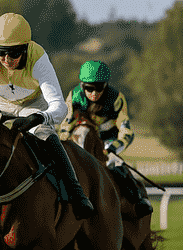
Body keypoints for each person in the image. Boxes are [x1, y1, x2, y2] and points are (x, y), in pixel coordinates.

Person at [0, 13, 95, 223]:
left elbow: (59, 108)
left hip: (32, 107)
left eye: (13, 53)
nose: (6, 60)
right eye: (1, 52)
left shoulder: (38, 57)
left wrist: (38, 118)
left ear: (25, 49)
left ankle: (76, 192)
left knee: (46, 135)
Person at [60, 59, 154, 218]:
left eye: (99, 88)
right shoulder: (74, 96)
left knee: (113, 163)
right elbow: (65, 125)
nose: (94, 93)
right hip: (80, 139)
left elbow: (126, 131)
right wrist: (64, 143)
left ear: (106, 86)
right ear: (82, 86)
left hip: (108, 141)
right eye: (89, 88)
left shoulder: (116, 98)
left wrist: (114, 147)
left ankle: (138, 200)